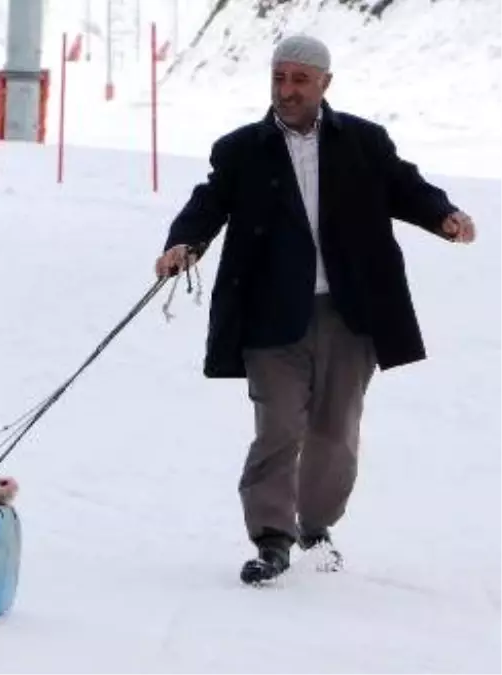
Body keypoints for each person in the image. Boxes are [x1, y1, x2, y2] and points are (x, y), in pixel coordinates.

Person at [154, 35, 477, 585]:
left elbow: (405, 187)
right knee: (278, 426)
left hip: (350, 312)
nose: (287, 91)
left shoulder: (364, 142)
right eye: (279, 79)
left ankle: (317, 524)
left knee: (334, 432)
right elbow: (208, 202)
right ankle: (271, 538)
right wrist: (184, 243)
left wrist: (444, 216)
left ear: (325, 83)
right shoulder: (240, 150)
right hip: (269, 316)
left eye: (299, 80)